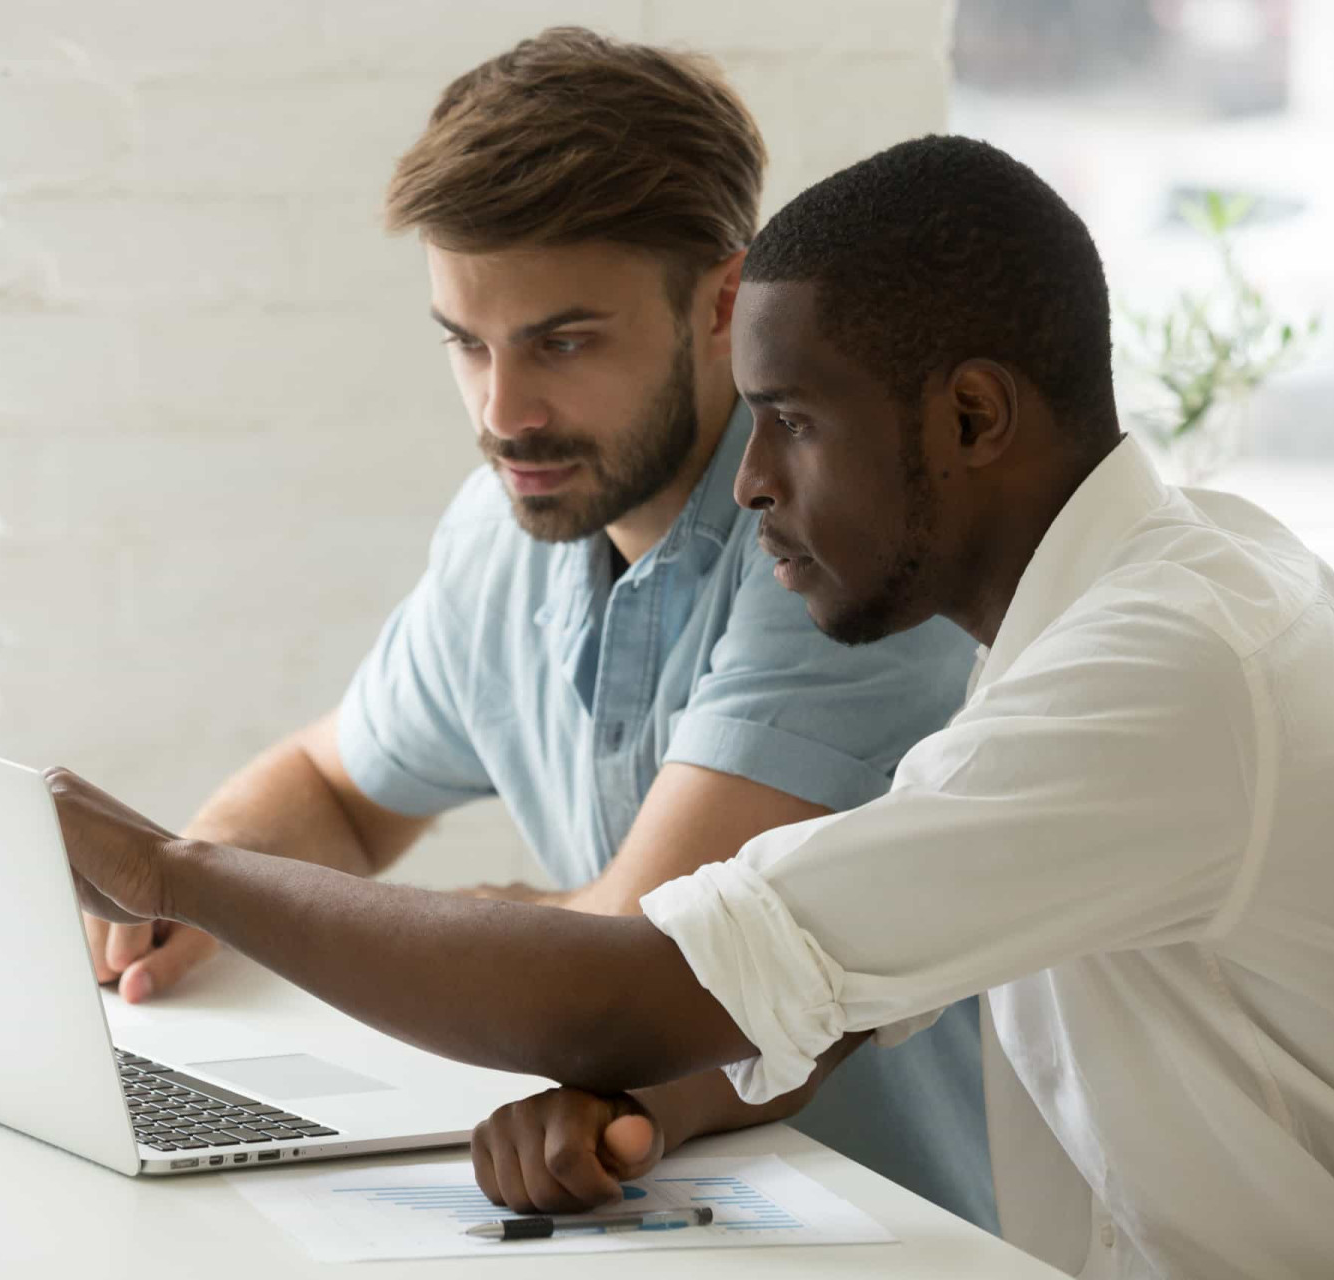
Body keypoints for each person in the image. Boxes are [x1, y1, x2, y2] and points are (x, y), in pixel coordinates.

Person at [50, 133, 1334, 1278]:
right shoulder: (1102, 617)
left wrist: (180, 875)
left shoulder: (1174, 667)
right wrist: (648, 1106)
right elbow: (827, 1001)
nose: (752, 483)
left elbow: (630, 977)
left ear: (970, 418)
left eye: (795, 425)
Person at [77, 29, 994, 1226]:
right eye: (467, 343)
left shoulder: (837, 555)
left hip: (893, 1229)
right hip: (650, 1206)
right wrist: (178, 905)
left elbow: (643, 959)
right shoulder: (508, 528)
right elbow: (337, 789)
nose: (505, 412)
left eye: (562, 342)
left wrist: (224, 886)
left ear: (726, 303)